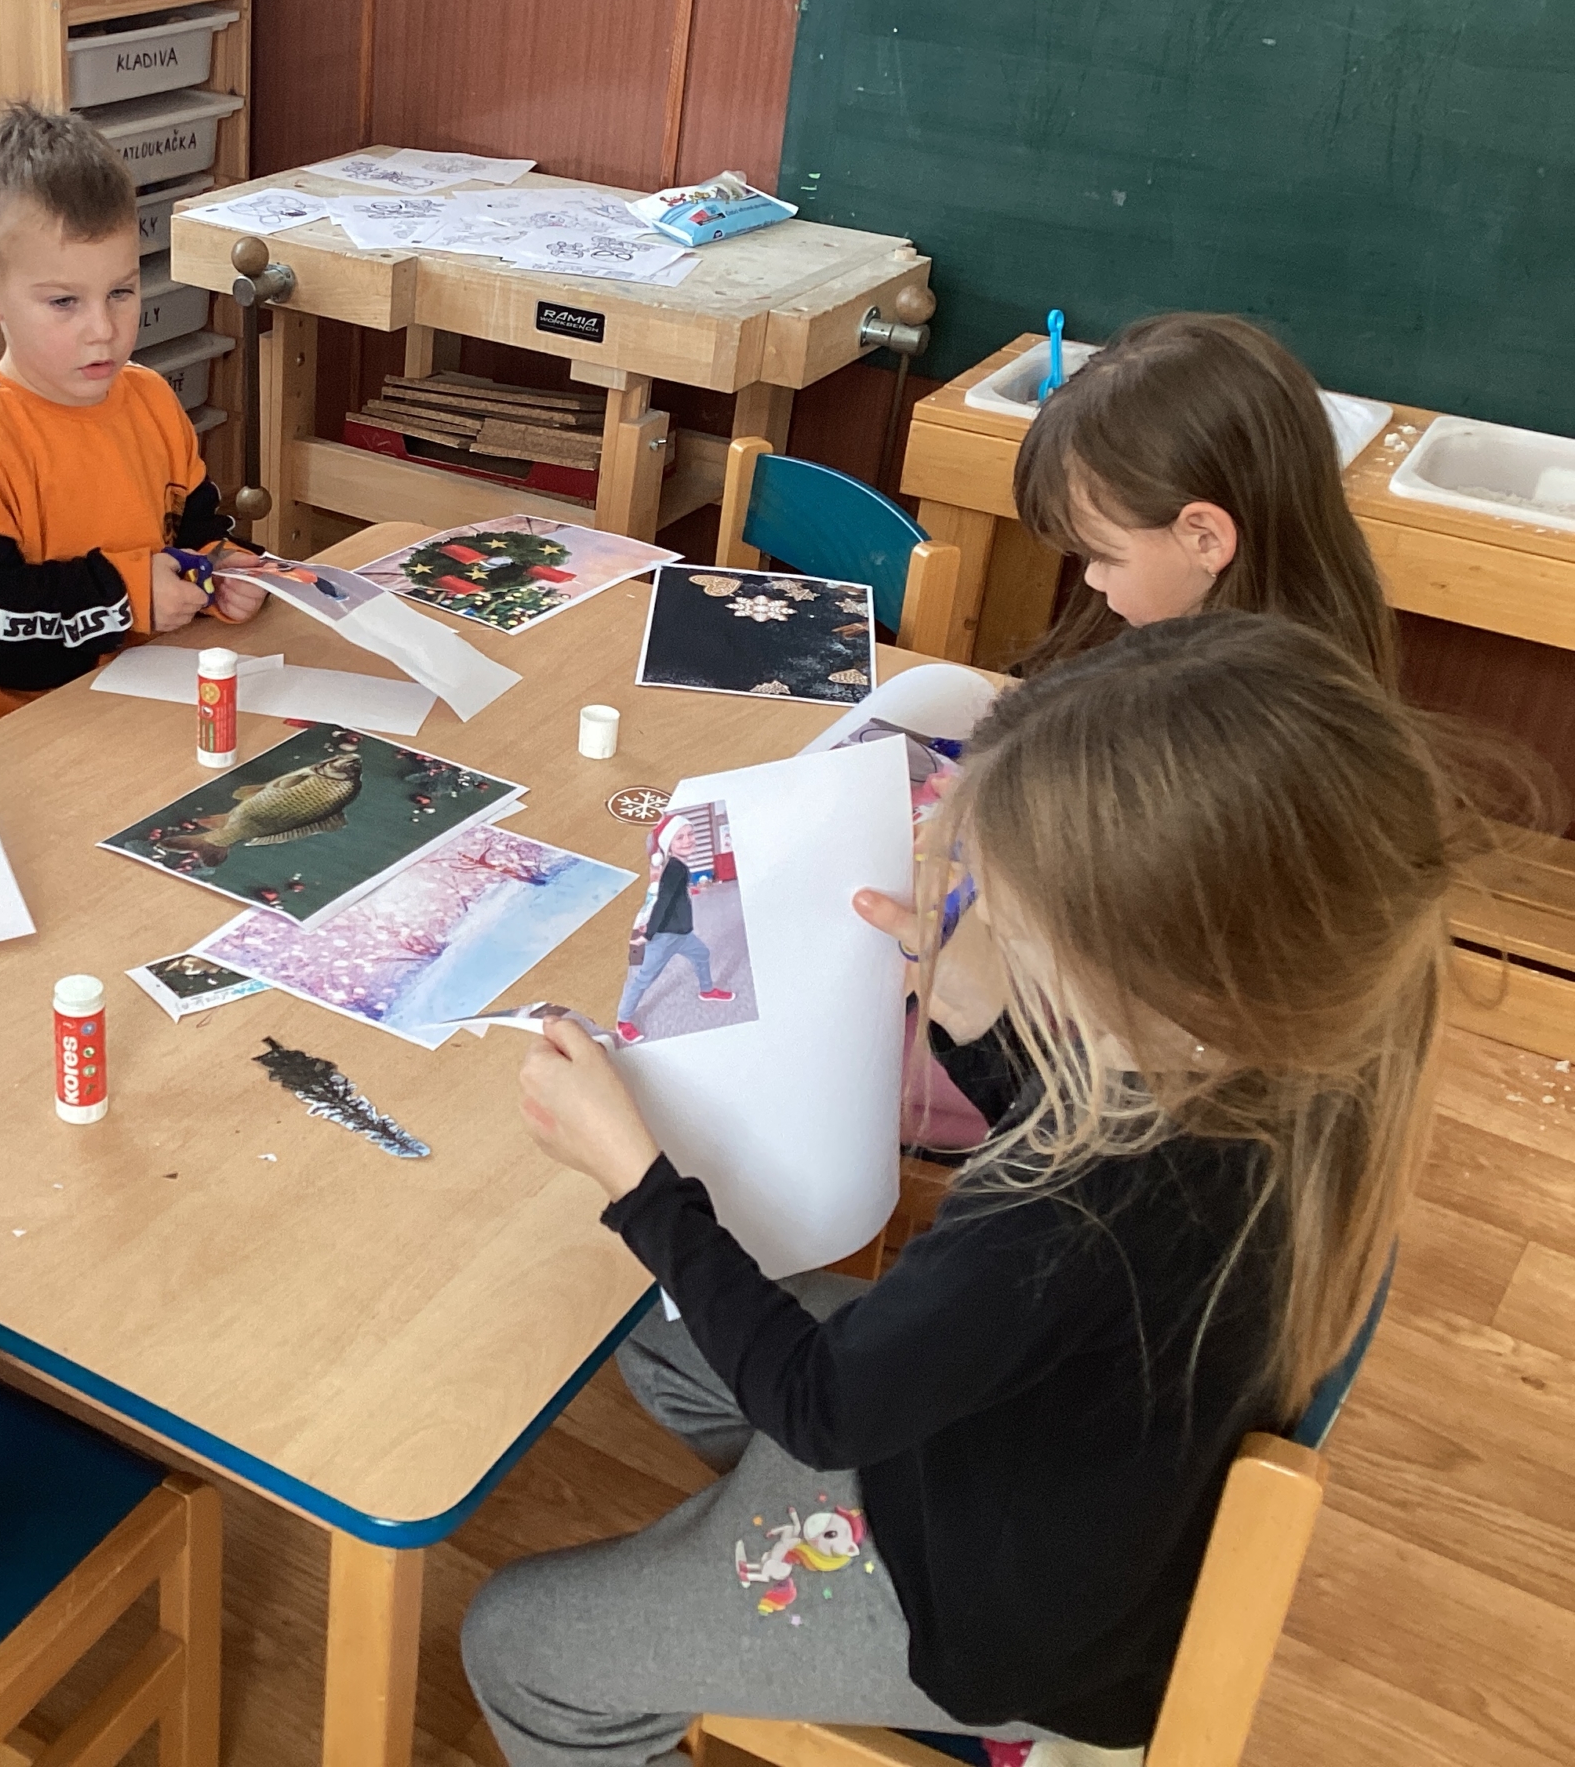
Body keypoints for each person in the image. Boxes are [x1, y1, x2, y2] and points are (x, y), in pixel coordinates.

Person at [467, 613, 1460, 1767]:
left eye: (1012, 919)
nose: (984, 921)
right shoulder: (1279, 1070)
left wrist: (637, 1178)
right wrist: (986, 1025)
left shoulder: (1078, 1207)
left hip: (988, 1620)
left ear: (1156, 978)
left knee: (519, 1645)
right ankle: (747, 1557)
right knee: (656, 1330)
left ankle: (801, 1590)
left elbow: (825, 1410)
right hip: (1044, 1488)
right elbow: (1064, 1194)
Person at [0, 101, 262, 733]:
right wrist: (126, 598)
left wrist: (225, 567)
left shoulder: (151, 399)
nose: (103, 329)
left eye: (121, 292)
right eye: (64, 302)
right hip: (14, 731)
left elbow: (196, 528)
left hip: (144, 700)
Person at [1011, 312, 1398, 684]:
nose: (1092, 578)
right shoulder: (1304, 633)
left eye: (1101, 556)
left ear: (1206, 539)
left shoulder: (1229, 711)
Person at [614, 810, 736, 1044]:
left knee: (702, 954)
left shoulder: (678, 866)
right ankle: (623, 1020)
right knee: (644, 978)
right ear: (668, 844)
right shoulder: (674, 869)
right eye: (680, 837)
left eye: (690, 834)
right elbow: (662, 902)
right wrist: (648, 935)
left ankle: (706, 990)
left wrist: (688, 891)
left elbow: (672, 894)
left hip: (683, 934)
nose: (688, 840)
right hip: (665, 937)